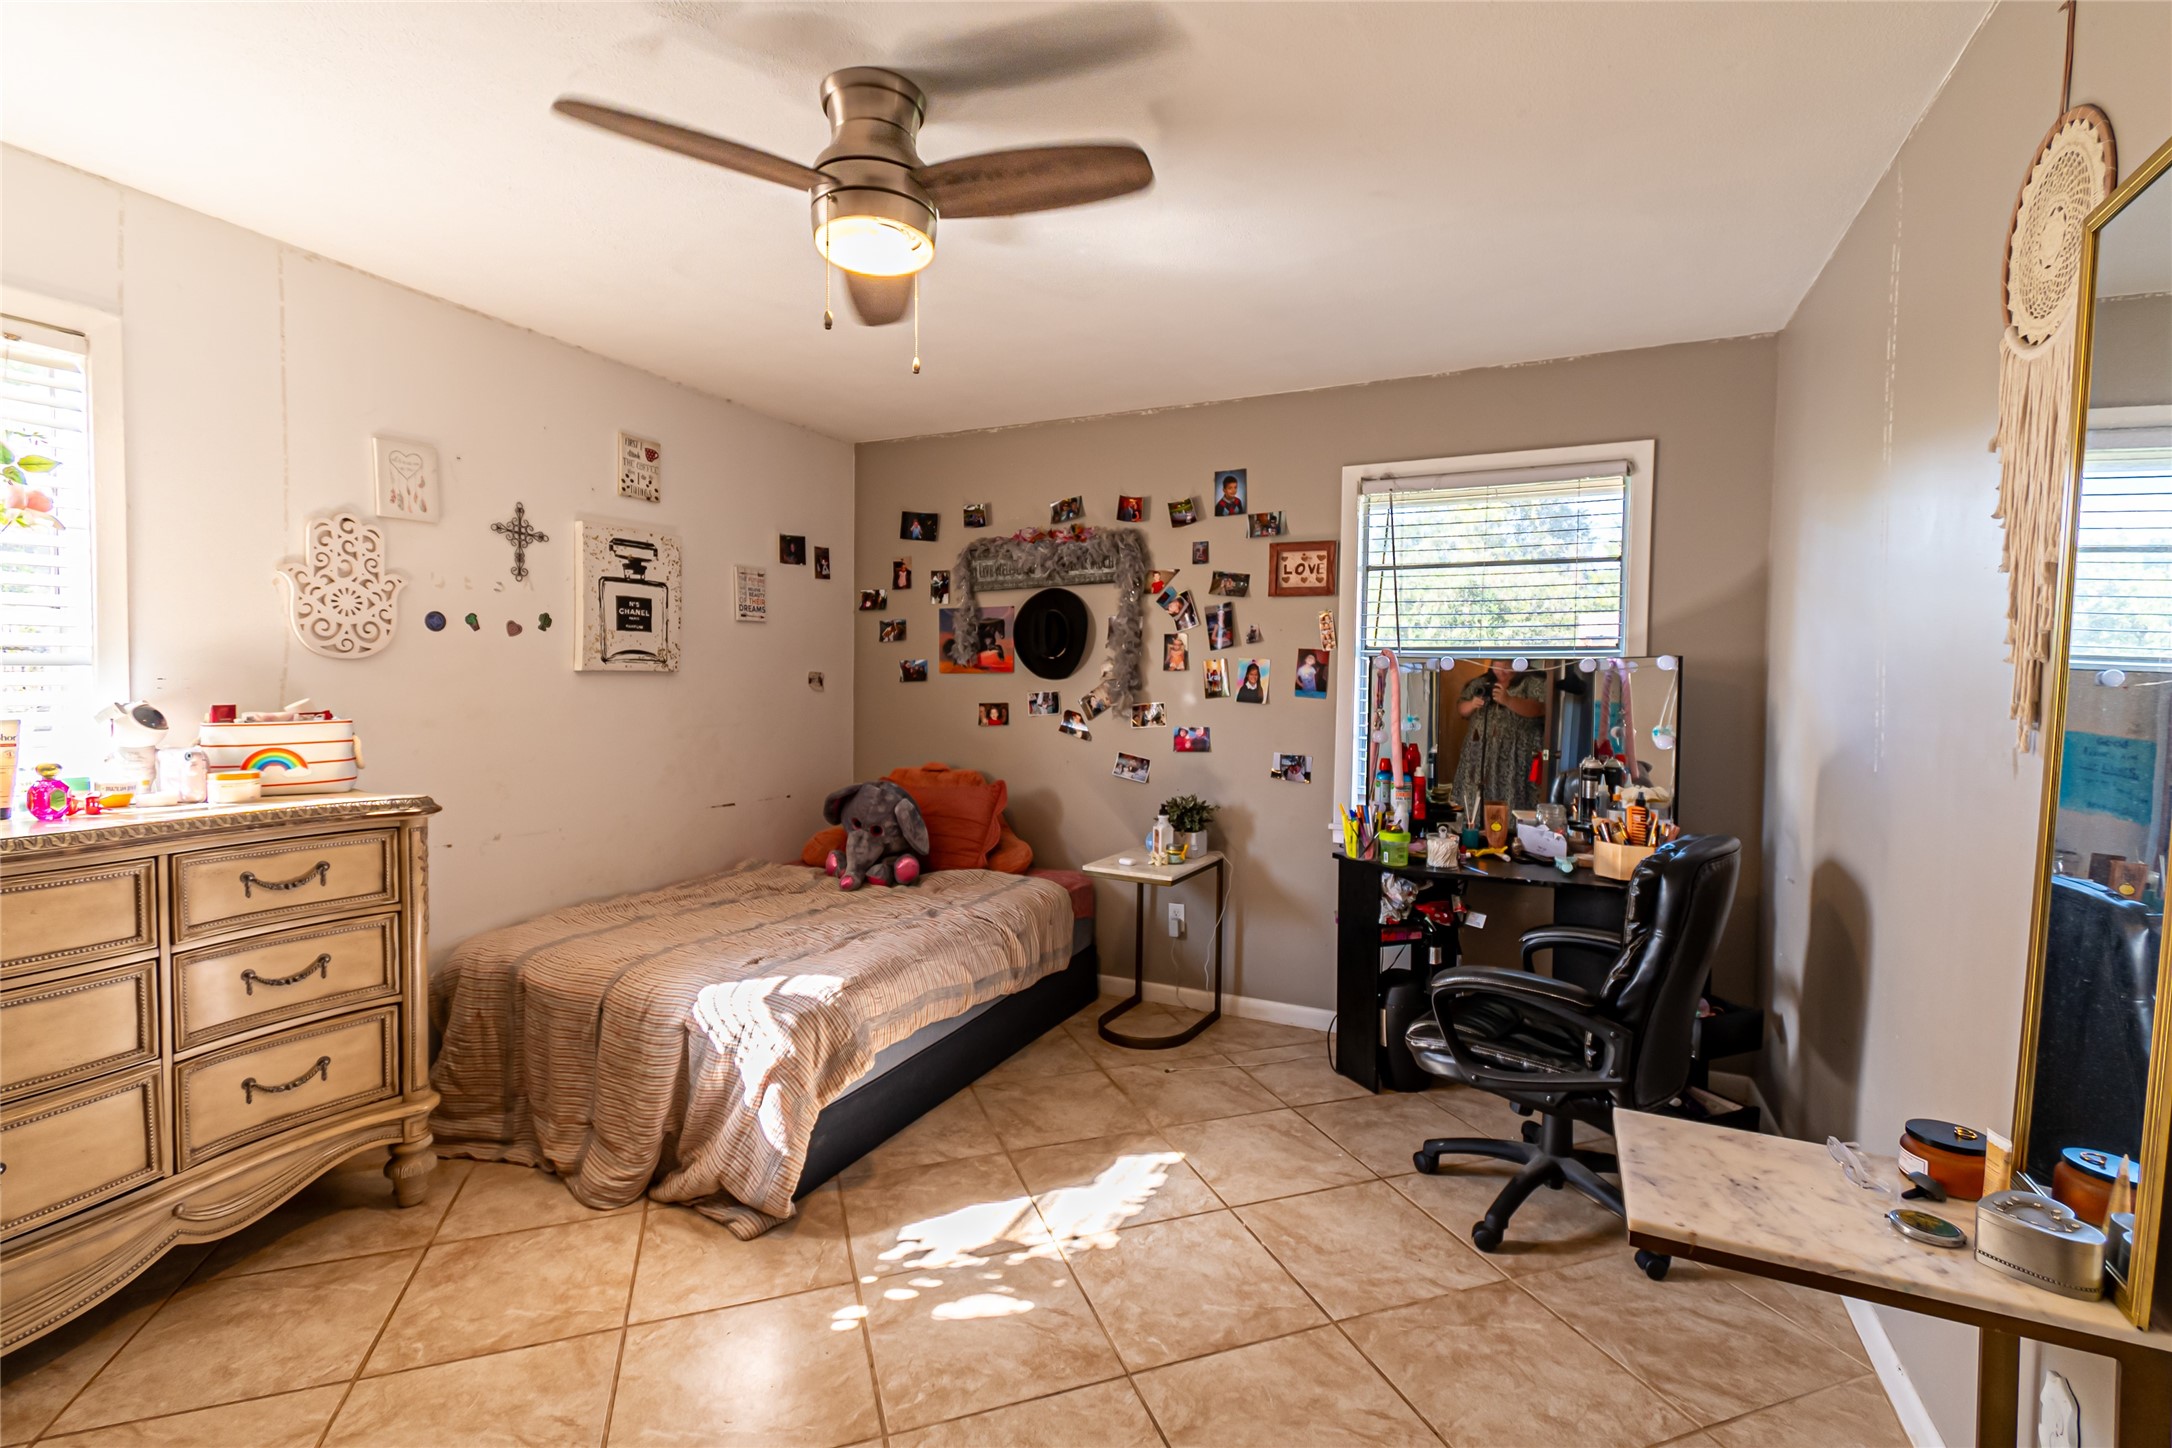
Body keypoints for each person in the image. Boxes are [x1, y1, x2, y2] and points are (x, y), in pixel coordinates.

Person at [1451, 661, 1547, 810]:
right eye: (1498, 666)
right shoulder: (1482, 682)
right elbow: (1461, 708)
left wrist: (1508, 700)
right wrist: (1472, 704)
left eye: (1507, 666)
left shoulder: (1532, 682)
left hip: (1514, 755)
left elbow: (1540, 709)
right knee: (1475, 801)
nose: (1502, 671)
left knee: (1510, 800)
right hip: (1479, 756)